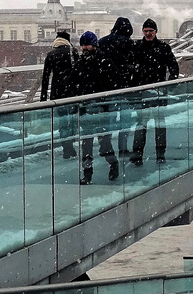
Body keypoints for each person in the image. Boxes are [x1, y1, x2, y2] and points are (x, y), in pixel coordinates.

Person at [130, 18, 180, 165]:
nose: (148, 33)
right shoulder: (160, 47)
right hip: (148, 91)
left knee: (147, 125)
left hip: (150, 91)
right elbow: (173, 68)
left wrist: (168, 86)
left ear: (155, 31)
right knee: (150, 125)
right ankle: (144, 155)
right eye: (146, 31)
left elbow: (174, 68)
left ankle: (152, 155)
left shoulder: (142, 47)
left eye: (150, 31)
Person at [72, 31, 119, 184]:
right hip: (86, 109)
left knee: (104, 141)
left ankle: (113, 163)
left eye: (88, 45)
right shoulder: (80, 63)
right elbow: (73, 84)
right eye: (83, 45)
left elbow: (115, 81)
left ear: (95, 45)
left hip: (101, 108)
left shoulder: (104, 62)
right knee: (86, 143)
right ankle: (87, 173)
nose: (85, 48)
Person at [96, 17, 135, 159]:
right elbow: (133, 64)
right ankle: (123, 149)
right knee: (125, 121)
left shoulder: (102, 42)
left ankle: (106, 147)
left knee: (108, 120)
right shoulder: (128, 43)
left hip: (106, 88)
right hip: (125, 87)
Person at [40, 29, 78, 158]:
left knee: (62, 122)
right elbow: (80, 72)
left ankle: (67, 148)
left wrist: (43, 99)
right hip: (72, 92)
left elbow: (45, 78)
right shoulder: (73, 52)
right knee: (72, 120)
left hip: (57, 93)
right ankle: (71, 143)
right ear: (68, 41)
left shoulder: (51, 54)